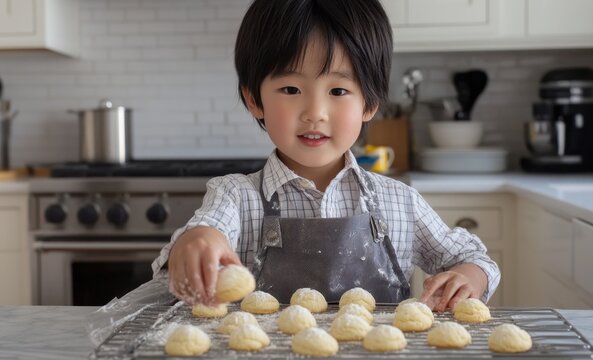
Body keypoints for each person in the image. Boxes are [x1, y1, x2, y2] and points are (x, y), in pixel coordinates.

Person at [152, 0, 500, 313]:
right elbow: (204, 232)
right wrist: (196, 243)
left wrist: (468, 277)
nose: (315, 112)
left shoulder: (400, 201)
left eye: (338, 90)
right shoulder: (236, 196)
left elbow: (471, 258)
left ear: (370, 102)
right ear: (255, 98)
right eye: (291, 89)